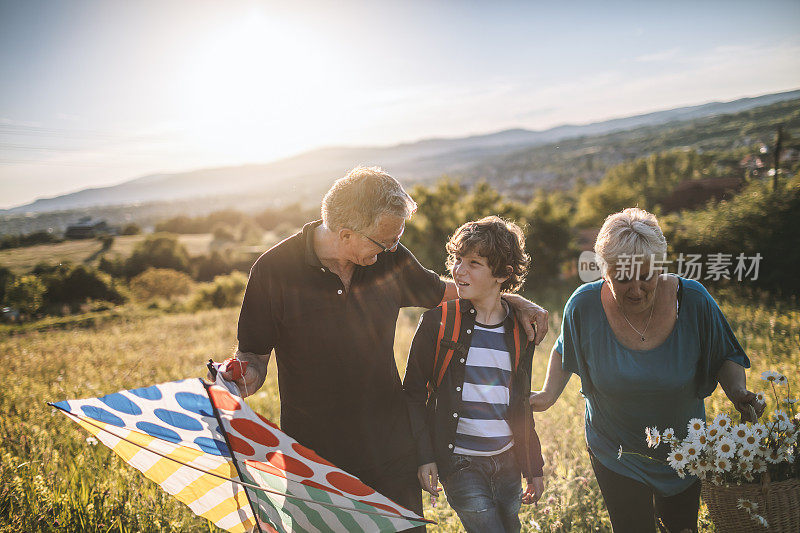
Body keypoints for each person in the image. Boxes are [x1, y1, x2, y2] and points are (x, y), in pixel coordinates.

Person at [212, 166, 550, 528]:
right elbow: (253, 356)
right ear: (345, 234)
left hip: (392, 448)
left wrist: (515, 301)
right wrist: (240, 377)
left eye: (397, 236)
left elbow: (449, 291)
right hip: (314, 455)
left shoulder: (389, 257)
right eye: (385, 239)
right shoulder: (273, 271)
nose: (392, 246)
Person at [530, 207, 765, 533]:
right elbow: (562, 348)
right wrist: (546, 395)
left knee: (682, 527)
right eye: (623, 278)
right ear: (604, 270)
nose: (637, 289)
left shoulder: (694, 299)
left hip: (684, 449)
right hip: (615, 448)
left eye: (648, 276)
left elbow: (725, 352)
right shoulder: (583, 305)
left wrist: (737, 391)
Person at [403, 216, 545, 533]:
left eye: (474, 263)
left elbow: (520, 401)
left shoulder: (521, 331)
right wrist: (424, 457)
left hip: (507, 461)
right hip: (459, 463)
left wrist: (533, 466)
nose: (459, 270)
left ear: (503, 274)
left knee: (511, 527)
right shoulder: (438, 322)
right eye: (457, 260)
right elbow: (412, 393)